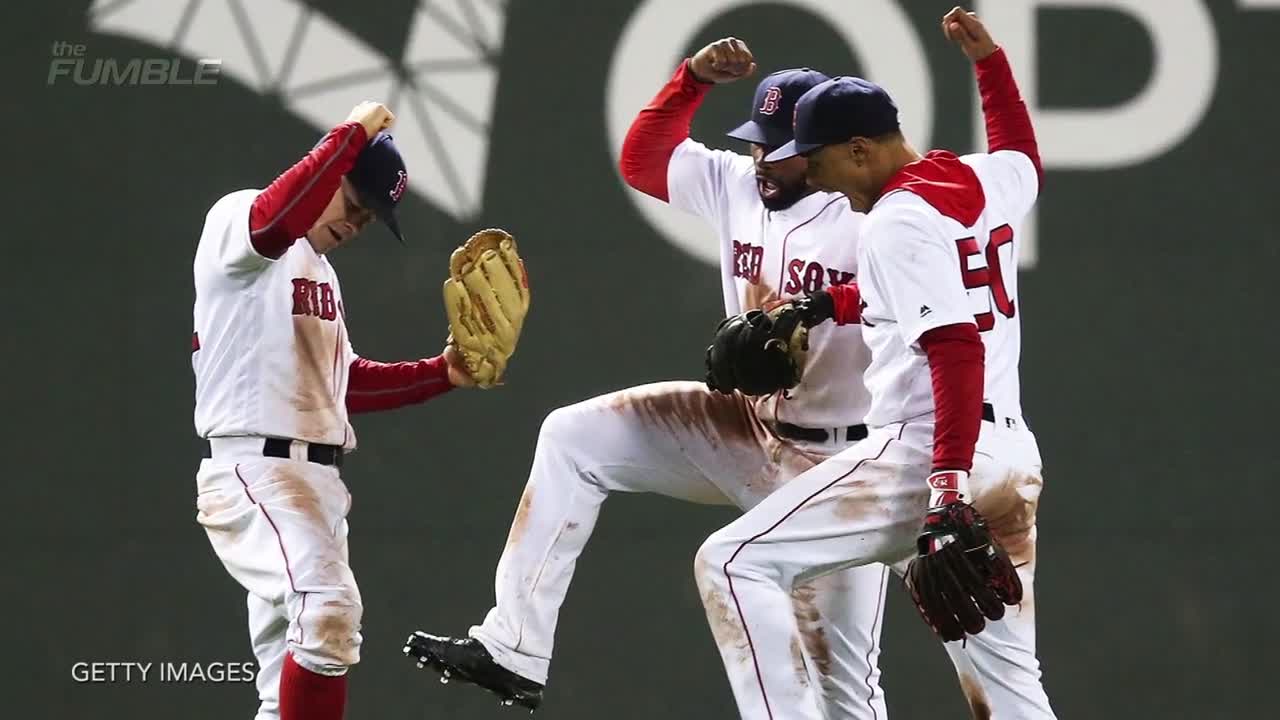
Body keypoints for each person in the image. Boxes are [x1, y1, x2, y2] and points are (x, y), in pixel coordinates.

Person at [403, 38, 893, 718]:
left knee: (843, 691)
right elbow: (642, 158)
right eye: (757, 141)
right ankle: (512, 648)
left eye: (779, 147)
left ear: (820, 148)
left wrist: (820, 311)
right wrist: (689, 81)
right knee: (573, 438)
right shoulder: (735, 184)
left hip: (841, 461)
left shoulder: (869, 214)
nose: (761, 159)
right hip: (749, 431)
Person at [691, 8, 1055, 719]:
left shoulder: (892, 218)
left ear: (859, 151)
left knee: (732, 563)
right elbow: (1021, 156)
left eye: (820, 162)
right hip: (1009, 458)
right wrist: (990, 65)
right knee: (1012, 693)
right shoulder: (984, 183)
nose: (821, 183)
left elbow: (954, 347)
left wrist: (945, 487)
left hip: (929, 454)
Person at [192, 101, 477, 720]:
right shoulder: (238, 221)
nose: (357, 221)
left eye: (371, 216)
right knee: (328, 611)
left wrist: (441, 373)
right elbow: (274, 223)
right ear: (333, 172)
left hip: (316, 484)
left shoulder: (321, 271)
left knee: (287, 681)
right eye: (354, 200)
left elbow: (339, 386)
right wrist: (349, 134)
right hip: (255, 471)